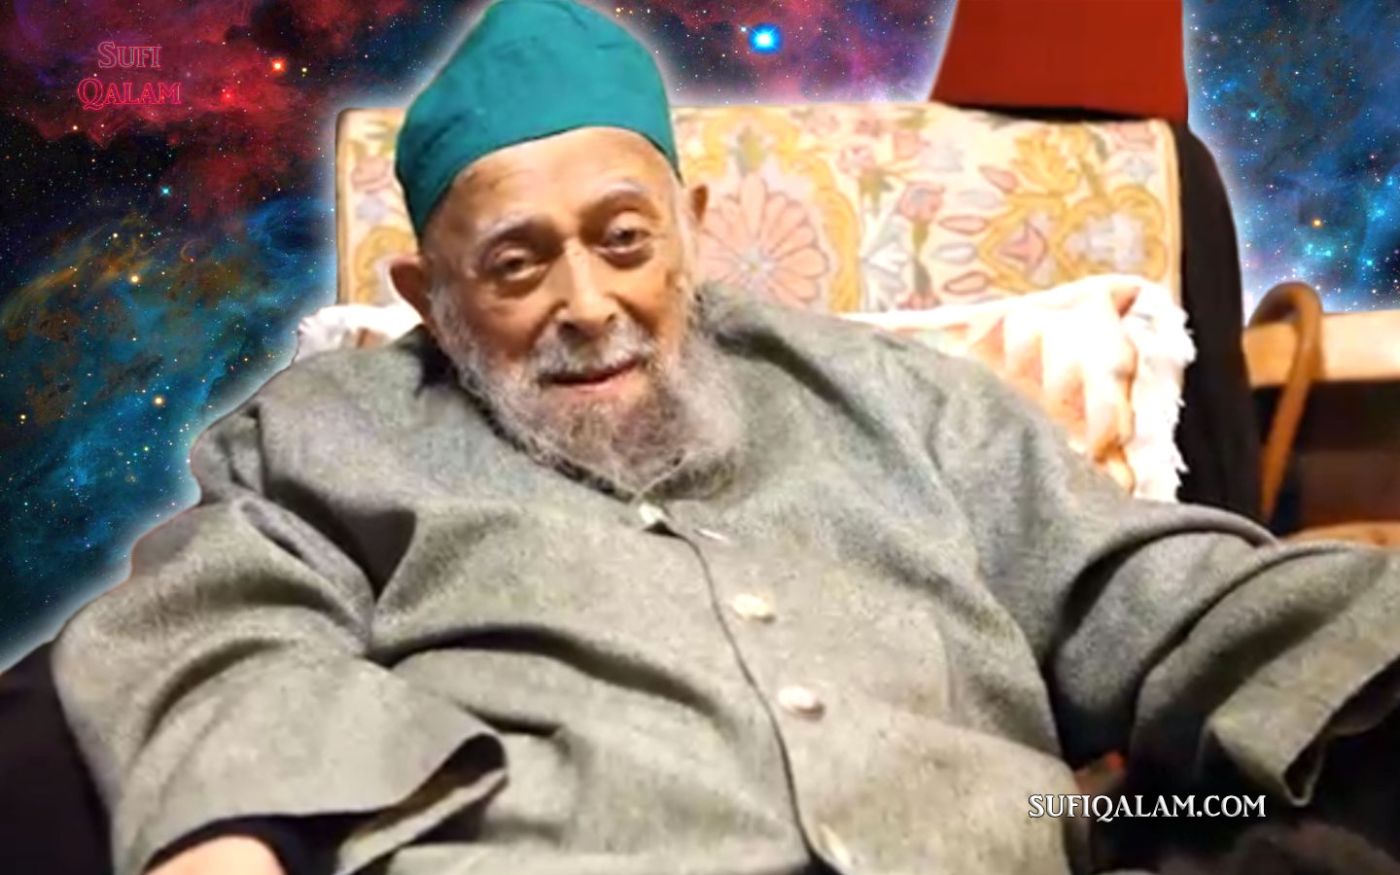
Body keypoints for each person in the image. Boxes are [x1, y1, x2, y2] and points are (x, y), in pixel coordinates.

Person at [49, 1, 1400, 874]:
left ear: (689, 230)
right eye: (516, 265)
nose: (588, 304)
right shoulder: (327, 433)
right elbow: (224, 626)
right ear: (429, 293)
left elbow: (1139, 589)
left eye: (624, 240)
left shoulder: (892, 391)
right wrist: (231, 831)